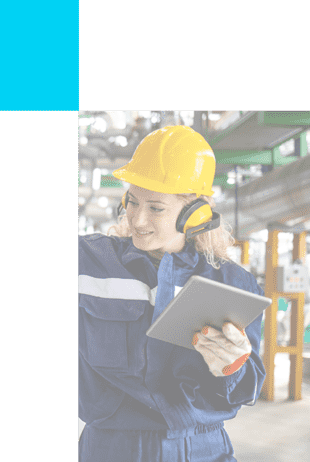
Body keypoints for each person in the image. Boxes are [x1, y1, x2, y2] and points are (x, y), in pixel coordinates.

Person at [78, 125, 266, 462]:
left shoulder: (232, 283)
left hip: (202, 450)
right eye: (132, 202)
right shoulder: (90, 263)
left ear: (195, 214)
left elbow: (247, 387)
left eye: (156, 208)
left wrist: (231, 366)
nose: (137, 219)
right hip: (109, 449)